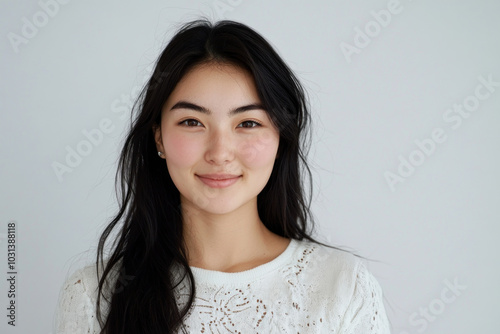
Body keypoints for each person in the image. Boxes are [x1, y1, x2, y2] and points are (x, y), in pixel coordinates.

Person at [54, 19, 391, 333]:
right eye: (192, 122)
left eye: (247, 123)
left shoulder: (343, 288)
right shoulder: (93, 298)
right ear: (158, 137)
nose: (219, 152)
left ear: (280, 138)